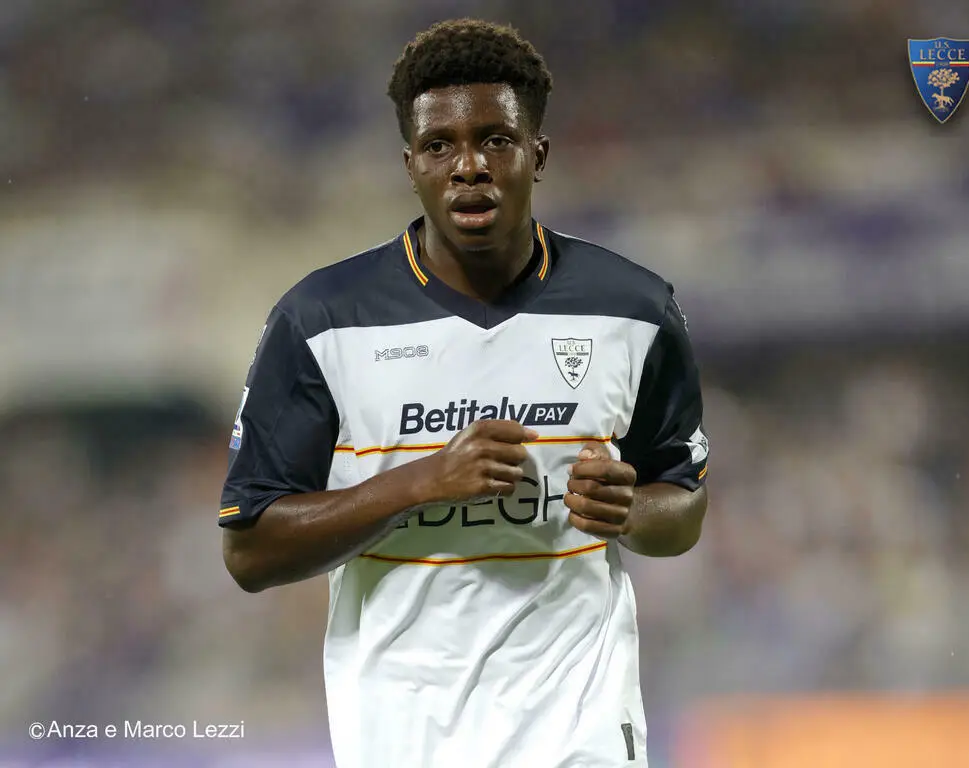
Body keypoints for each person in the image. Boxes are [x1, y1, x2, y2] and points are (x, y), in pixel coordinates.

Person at [219, 18, 709, 768]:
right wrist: (420, 482)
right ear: (410, 164)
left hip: (578, 733)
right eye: (439, 145)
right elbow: (250, 550)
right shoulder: (320, 320)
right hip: (401, 737)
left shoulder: (633, 308)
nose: (469, 166)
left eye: (496, 140)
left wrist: (631, 512)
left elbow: (683, 503)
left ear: (537, 154)